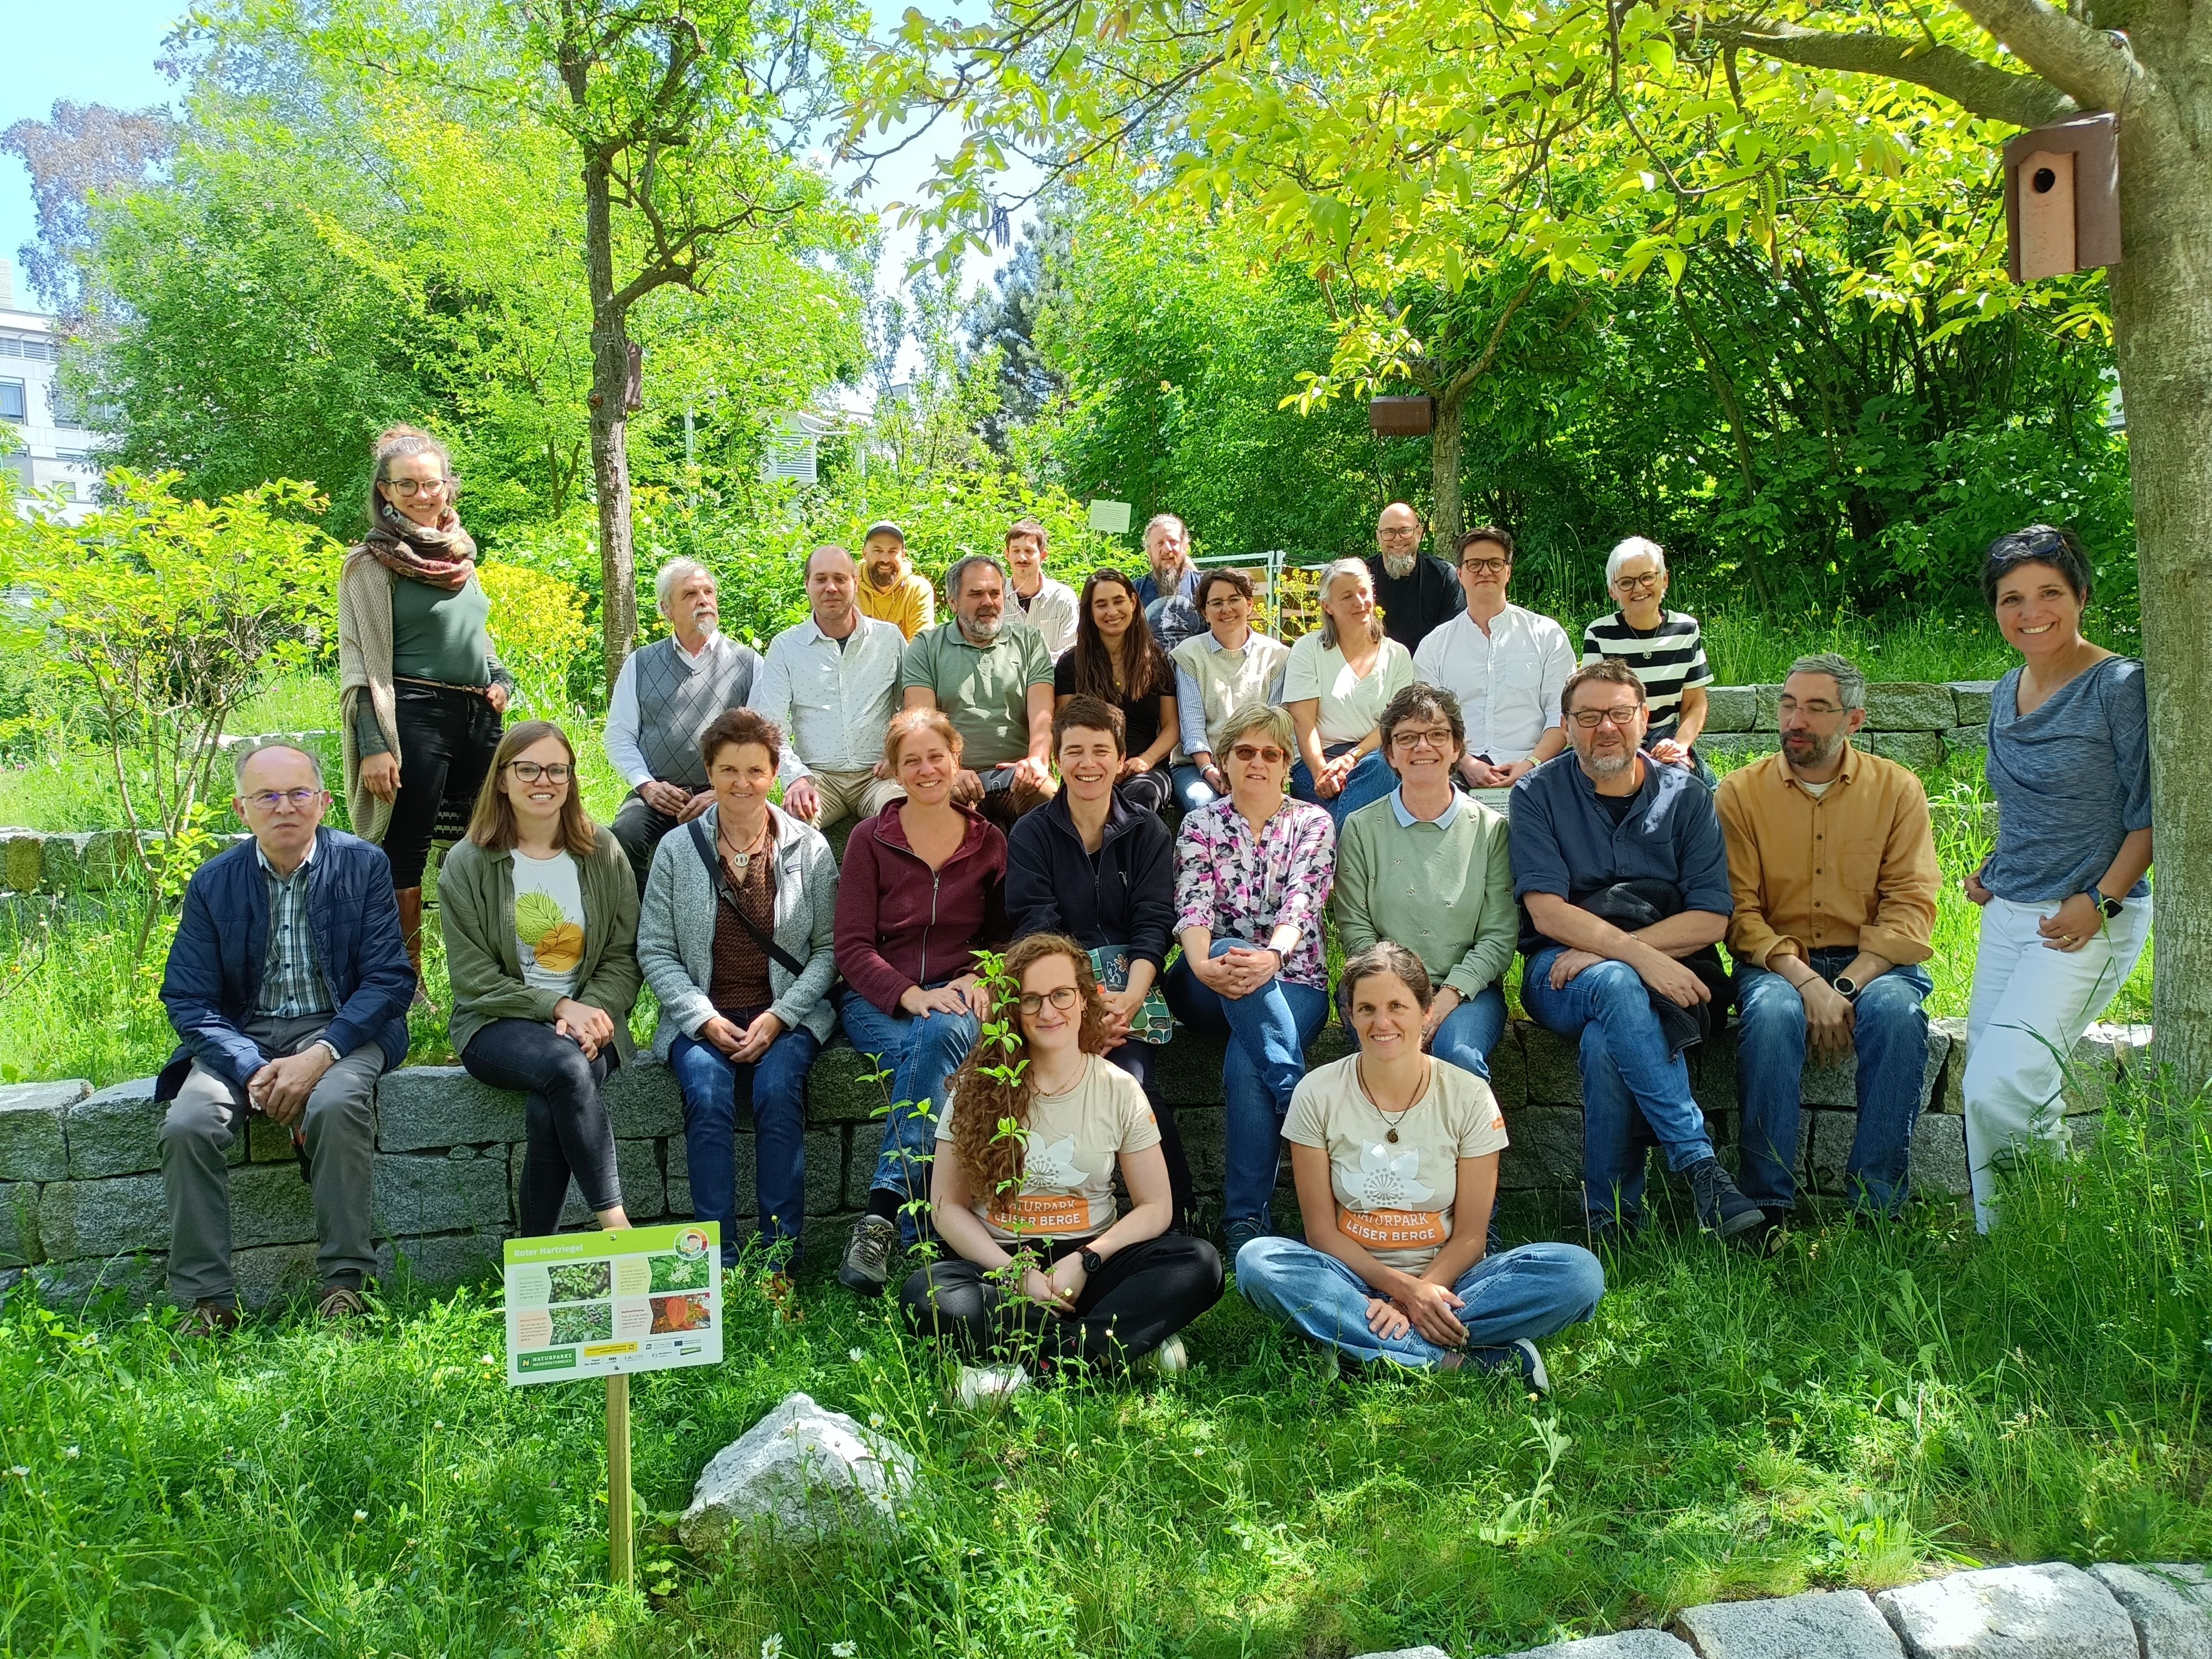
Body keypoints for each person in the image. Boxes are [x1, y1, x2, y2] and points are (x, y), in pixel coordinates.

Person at [1236, 945, 1604, 1385]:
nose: (1383, 1022)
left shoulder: (1468, 1095)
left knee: (1579, 1274)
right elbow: (1321, 1233)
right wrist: (1405, 1292)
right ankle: (1460, 1363)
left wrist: (1422, 1293)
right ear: (1350, 1015)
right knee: (1259, 1261)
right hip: (1348, 1278)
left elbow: (1470, 1236)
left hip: (1453, 1282)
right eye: (1367, 1008)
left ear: (1427, 1012)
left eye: (1398, 1006)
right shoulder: (1317, 1093)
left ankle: (1361, 1347)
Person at [157, 742, 415, 1335]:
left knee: (335, 1101)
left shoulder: (364, 865)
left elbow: (388, 980)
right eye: (266, 796)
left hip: (345, 1028)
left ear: (324, 802)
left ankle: (346, 1286)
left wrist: (320, 1054)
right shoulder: (213, 882)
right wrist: (250, 1068)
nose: (284, 807)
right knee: (188, 1124)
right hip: (243, 1037)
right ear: (241, 809)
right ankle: (209, 1302)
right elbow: (188, 999)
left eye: (299, 793)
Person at [898, 935, 1224, 1397]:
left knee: (1200, 1262)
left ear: (1084, 998)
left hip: (1091, 1265)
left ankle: (1021, 1373)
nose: (1048, 1012)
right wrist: (1017, 1276)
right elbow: (947, 1207)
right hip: (1000, 1267)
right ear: (1013, 1008)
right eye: (1031, 999)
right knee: (926, 1292)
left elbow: (1156, 1207)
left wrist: (1087, 1260)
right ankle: (1117, 1347)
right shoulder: (975, 1087)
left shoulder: (1118, 1088)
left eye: (1061, 995)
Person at [1507, 661, 1764, 1241]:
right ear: (1567, 727)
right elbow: (1547, 912)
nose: (1605, 728)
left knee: (1607, 1039)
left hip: (1669, 974)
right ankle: (1699, 1165)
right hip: (1559, 973)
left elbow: (1711, 917)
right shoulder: (1537, 794)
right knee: (1618, 985)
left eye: (1619, 714)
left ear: (1645, 719)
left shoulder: (1689, 797)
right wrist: (1640, 959)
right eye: (1589, 716)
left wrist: (1616, 953)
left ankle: (1613, 1221)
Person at [1961, 525, 2152, 1232]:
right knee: (2007, 1082)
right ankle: (2019, 1241)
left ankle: (2043, 1225)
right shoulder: (2008, 687)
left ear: (2080, 596)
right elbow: (2025, 801)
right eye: (2011, 598)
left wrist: (2098, 902)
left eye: (2048, 592)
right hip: (2008, 912)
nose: (2029, 611)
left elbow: (2152, 812)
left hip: (2085, 923)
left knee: (2000, 1083)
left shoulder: (2119, 686)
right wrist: (1994, 868)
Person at [1718, 654, 1941, 1229]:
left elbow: (1911, 905)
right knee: (1769, 1015)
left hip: (1875, 963)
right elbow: (1740, 914)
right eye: (1789, 705)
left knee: (1895, 1013)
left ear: (1854, 720)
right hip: (1778, 963)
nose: (1796, 720)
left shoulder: (1896, 790)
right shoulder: (1739, 794)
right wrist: (1806, 983)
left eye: (1817, 708)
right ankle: (1765, 1207)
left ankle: (1877, 1207)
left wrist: (1842, 986)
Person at [640, 709, 839, 1275]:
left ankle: (780, 1265)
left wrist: (781, 1016)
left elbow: (828, 952)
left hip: (786, 1014)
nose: (742, 783)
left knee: (778, 1094)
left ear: (774, 772)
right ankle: (716, 1268)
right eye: (728, 770)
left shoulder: (810, 849)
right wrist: (701, 1019)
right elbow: (654, 948)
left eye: (755, 770)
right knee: (706, 1095)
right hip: (705, 1013)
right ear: (709, 771)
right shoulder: (677, 851)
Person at [440, 721, 643, 1240]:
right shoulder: (466, 863)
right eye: (527, 768)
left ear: (572, 779)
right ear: (502, 779)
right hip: (497, 1023)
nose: (543, 780)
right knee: (565, 1067)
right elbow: (473, 980)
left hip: (596, 1022)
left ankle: (534, 1257)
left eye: (557, 769)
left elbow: (624, 956)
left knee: (551, 1094)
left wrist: (591, 1011)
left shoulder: (603, 851)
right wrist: (558, 1008)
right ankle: (617, 1228)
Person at [834, 709, 1009, 1293]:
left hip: (960, 998)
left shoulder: (989, 842)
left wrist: (984, 980)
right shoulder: (869, 839)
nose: (927, 769)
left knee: (938, 1036)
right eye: (912, 760)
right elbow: (852, 946)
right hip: (877, 1000)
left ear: (956, 758)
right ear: (893, 770)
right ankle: (921, 1227)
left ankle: (882, 1215)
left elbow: (1005, 940)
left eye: (936, 756)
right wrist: (912, 994)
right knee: (932, 1052)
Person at [338, 425, 513, 990]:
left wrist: (499, 677)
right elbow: (359, 661)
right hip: (410, 716)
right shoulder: (369, 564)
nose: (421, 495)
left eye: (430, 483)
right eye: (406, 485)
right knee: (405, 851)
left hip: (477, 719)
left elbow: (478, 639)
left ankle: (483, 975)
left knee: (486, 843)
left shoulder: (463, 557)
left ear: (448, 488)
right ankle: (405, 986)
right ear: (385, 491)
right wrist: (372, 745)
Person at [1006, 697, 1193, 1224]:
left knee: (1133, 1080)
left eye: (1100, 751)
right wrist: (1081, 1008)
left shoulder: (1149, 832)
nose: (1088, 763)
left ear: (1120, 757)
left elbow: (1154, 923)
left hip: (1130, 992)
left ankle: (1178, 1219)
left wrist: (1129, 1001)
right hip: (1054, 995)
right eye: (1074, 752)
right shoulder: (1031, 834)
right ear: (1058, 760)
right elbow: (1035, 925)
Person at [1161, 703, 1334, 1256]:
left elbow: (1303, 903)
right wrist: (1203, 964)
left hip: (1296, 980)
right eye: (1245, 751)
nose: (1258, 762)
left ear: (1287, 765)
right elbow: (1192, 904)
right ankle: (1298, 1102)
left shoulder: (1312, 823)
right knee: (1228, 946)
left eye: (1272, 753)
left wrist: (1274, 959)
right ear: (1227, 760)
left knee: (1244, 1062)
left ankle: (1243, 1224)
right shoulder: (1200, 824)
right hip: (1205, 979)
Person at [1336, 685, 1515, 1086]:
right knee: (1392, 1051)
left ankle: (1469, 1149)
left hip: (1468, 991)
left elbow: (1499, 935)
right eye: (1407, 737)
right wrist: (1404, 1001)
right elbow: (1355, 929)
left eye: (1437, 734)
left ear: (1456, 748)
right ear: (1390, 754)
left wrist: (1448, 995)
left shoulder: (1490, 830)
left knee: (1459, 1058)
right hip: (1378, 986)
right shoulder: (1361, 827)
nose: (1424, 746)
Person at [604, 557, 761, 894]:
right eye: (690, 594)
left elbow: (762, 743)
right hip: (657, 794)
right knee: (623, 838)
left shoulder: (748, 663)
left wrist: (721, 792)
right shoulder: (641, 663)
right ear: (667, 609)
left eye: (708, 592)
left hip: (726, 793)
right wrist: (646, 786)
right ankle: (644, 929)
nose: (703, 600)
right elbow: (619, 736)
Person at [747, 545, 906, 831]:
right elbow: (770, 727)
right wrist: (795, 778)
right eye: (821, 579)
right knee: (788, 829)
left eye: (840, 579)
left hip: (879, 776)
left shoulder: (889, 639)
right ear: (807, 585)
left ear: (855, 582)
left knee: (905, 819)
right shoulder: (786, 647)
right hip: (818, 778)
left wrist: (898, 756)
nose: (831, 588)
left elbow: (909, 709)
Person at [901, 555, 1059, 825]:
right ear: (953, 602)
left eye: (995, 593)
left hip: (1018, 775)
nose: (988, 602)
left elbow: (1043, 714)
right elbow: (922, 725)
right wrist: (951, 771)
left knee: (1053, 804)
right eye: (976, 594)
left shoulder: (1030, 641)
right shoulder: (926, 647)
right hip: (956, 777)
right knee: (935, 814)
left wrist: (1037, 761)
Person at [1411, 525, 1572, 788]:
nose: (1485, 571)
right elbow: (1427, 720)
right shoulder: (1434, 646)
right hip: (1455, 772)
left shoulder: (1547, 635)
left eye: (1495, 563)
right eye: (1474, 564)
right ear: (1460, 574)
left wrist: (1531, 764)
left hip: (1539, 769)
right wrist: (1466, 763)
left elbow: (1562, 715)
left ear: (1508, 571)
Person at [1283, 559, 1417, 826]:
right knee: (1367, 818)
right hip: (1315, 763)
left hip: (1374, 760)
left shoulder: (1397, 655)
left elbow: (1395, 724)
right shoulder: (1307, 649)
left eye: (1364, 592)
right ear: (1327, 606)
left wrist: (1353, 756)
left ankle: (1336, 851)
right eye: (1347, 596)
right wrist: (1321, 771)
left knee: (1381, 768)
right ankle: (1354, 854)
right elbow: (1303, 721)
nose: (1360, 602)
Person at [1580, 537, 1715, 780]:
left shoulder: (1686, 630)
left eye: (1647, 578)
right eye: (1627, 582)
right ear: (1613, 590)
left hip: (1667, 737)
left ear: (1664, 580)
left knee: (1684, 782)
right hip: (1615, 735)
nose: (1639, 588)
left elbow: (1696, 703)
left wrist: (1680, 745)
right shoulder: (1599, 634)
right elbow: (1594, 703)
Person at [1053, 567, 1179, 816]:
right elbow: (1062, 726)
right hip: (1089, 767)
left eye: (1118, 601)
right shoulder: (1071, 665)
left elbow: (1172, 725)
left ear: (1133, 602)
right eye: (1101, 604)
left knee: (1143, 795)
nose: (1112, 612)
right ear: (1090, 612)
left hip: (1145, 769)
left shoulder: (1156, 661)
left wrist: (1148, 759)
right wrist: (1101, 766)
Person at [1168, 568, 1292, 815]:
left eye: (1234, 599)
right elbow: (1192, 726)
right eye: (1216, 603)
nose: (1226, 609)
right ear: (1205, 612)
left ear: (1249, 604)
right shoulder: (1189, 655)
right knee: (1203, 804)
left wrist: (1242, 769)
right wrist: (1210, 769)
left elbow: (1274, 726)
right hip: (1198, 767)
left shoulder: (1276, 656)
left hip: (1256, 762)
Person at [1366, 501, 1464, 654]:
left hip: (1429, 671)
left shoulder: (1444, 577)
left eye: (1405, 531)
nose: (1397, 539)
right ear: (1379, 537)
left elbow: (1453, 640)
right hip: (1376, 672)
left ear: (1419, 533)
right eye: (1388, 532)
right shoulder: (1363, 577)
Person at [1003, 518, 1079, 656]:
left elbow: (1069, 653)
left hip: (1053, 676)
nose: (1022, 558)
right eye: (1016, 551)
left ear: (1043, 555)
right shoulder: (996, 597)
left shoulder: (1063, 598)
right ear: (1007, 555)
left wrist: (1035, 669)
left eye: (1029, 551)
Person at [856, 519, 936, 640]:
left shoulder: (917, 589)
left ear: (903, 555)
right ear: (865, 553)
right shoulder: (851, 588)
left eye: (892, 551)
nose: (885, 559)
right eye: (878, 550)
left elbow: (921, 647)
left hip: (904, 659)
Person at [1133, 512, 1201, 611]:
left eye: (1173, 542)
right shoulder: (1134, 592)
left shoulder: (1204, 587)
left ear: (1185, 547)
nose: (1167, 549)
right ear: (1149, 552)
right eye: (1160, 543)